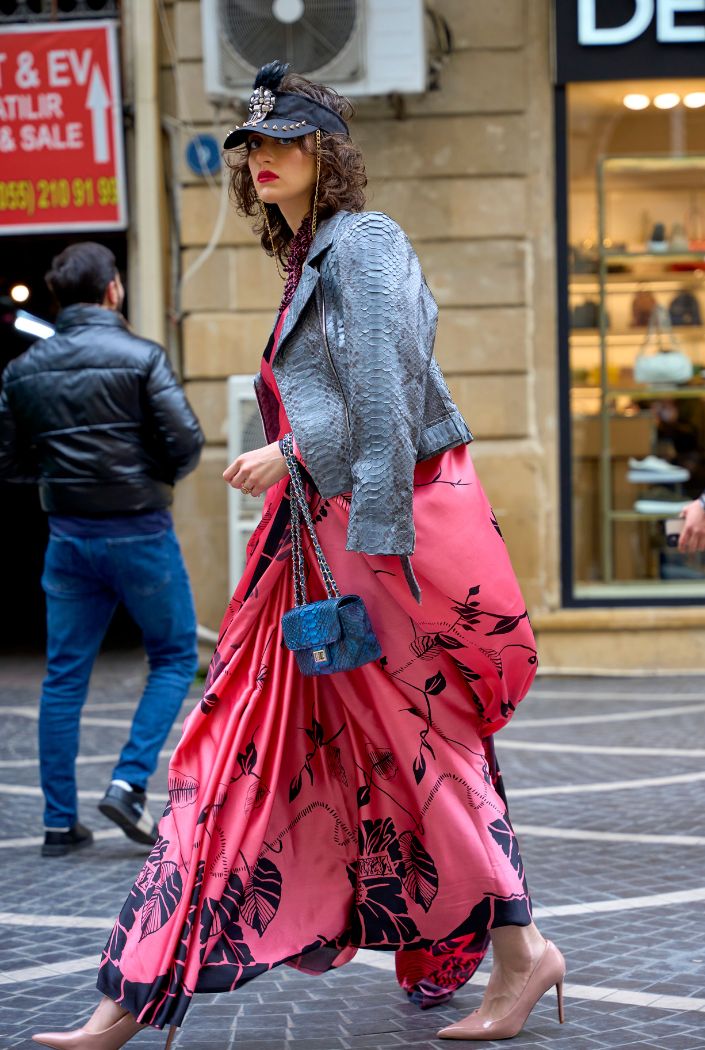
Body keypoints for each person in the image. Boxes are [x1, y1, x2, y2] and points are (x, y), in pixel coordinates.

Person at [31, 65, 564, 1049]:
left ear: (328, 152)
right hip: (313, 548)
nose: (263, 159)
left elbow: (390, 395)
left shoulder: (363, 243)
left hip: (372, 542)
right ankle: (128, 998)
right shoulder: (311, 255)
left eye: (283, 142)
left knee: (417, 759)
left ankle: (524, 955)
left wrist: (292, 453)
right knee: (236, 747)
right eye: (253, 147)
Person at [0, 242, 204, 859]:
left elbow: (9, 462)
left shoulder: (22, 370)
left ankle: (59, 824)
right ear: (113, 289)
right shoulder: (142, 356)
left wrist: (62, 478)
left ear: (59, 297)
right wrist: (144, 475)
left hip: (69, 536)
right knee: (172, 657)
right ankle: (128, 782)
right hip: (141, 529)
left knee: (63, 677)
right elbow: (187, 444)